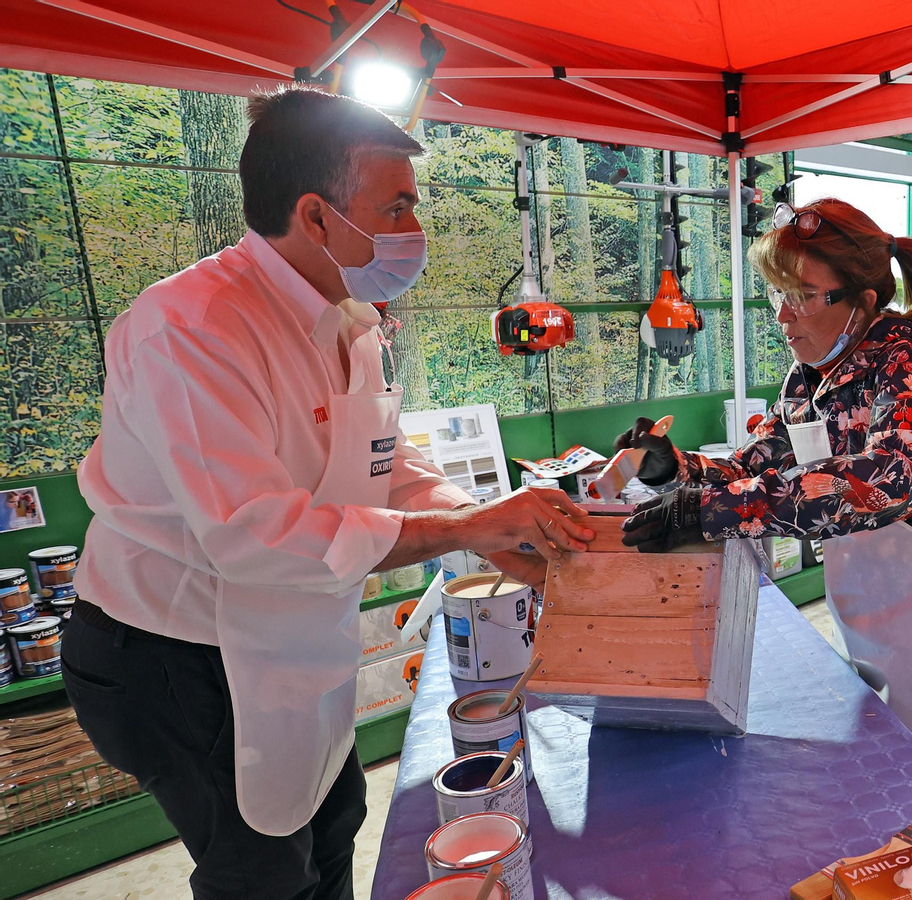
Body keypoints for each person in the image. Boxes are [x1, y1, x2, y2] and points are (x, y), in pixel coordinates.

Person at [64, 87, 592, 900]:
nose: (415, 232)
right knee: (261, 871)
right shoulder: (192, 324)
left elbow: (382, 464)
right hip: (174, 652)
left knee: (335, 817)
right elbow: (255, 534)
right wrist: (464, 528)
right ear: (315, 215)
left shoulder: (352, 323)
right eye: (399, 206)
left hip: (294, 632)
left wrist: (487, 531)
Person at [614, 199, 912, 769]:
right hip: (878, 601)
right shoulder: (810, 374)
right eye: (778, 293)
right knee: (881, 766)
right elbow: (758, 464)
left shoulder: (909, 361)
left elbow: (887, 481)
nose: (782, 316)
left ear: (862, 302)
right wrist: (674, 470)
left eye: (801, 295)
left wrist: (708, 511)